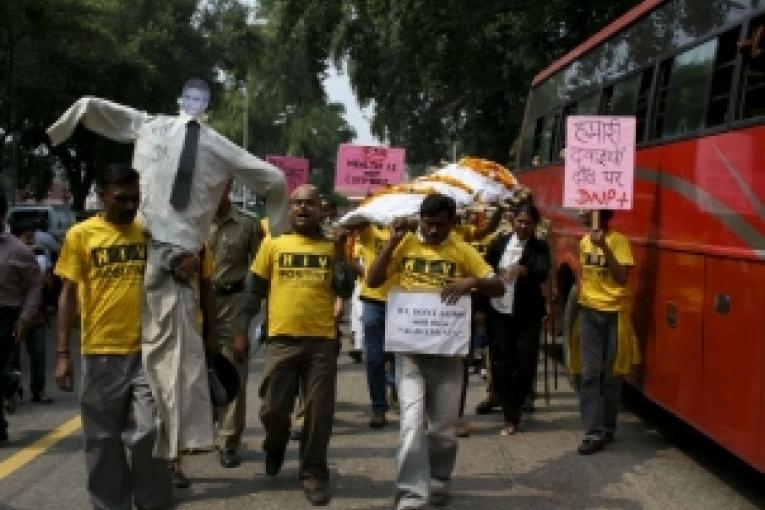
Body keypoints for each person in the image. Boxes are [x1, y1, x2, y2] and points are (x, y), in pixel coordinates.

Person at [47, 78, 289, 459]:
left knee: (176, 357)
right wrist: (281, 227)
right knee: (161, 352)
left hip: (177, 258)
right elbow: (274, 180)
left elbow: (92, 104)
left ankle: (177, 443)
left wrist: (279, 226)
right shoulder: (152, 126)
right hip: (150, 247)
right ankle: (171, 440)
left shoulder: (199, 141)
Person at [366, 193, 504, 510]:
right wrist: (390, 243)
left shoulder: (462, 250)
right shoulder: (404, 244)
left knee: (443, 429)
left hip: (448, 353)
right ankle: (411, 495)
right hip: (410, 352)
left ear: (452, 223)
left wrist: (471, 281)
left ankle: (439, 480)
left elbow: (498, 286)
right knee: (412, 423)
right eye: (427, 224)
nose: (431, 231)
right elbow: (373, 281)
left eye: (439, 225)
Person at [54, 164, 172, 510]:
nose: (129, 205)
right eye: (121, 198)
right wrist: (62, 353)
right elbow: (68, 293)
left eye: (135, 198)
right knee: (103, 440)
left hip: (148, 350)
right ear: (102, 195)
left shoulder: (150, 232)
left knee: (150, 431)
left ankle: (152, 503)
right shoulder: (81, 235)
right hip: (100, 351)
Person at [240, 184, 353, 506]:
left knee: (319, 413)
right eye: (297, 203)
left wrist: (342, 252)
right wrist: (239, 332)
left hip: (321, 343)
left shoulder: (331, 247)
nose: (303, 208)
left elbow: (344, 289)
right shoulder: (274, 244)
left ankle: (314, 473)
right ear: (289, 209)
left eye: (310, 203)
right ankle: (274, 443)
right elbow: (253, 291)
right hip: (281, 340)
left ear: (320, 209)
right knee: (273, 410)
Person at [483, 202, 550, 435]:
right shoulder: (499, 243)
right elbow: (484, 268)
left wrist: (524, 271)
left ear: (535, 225)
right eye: (520, 221)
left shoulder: (540, 248)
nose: (523, 226)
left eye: (528, 223)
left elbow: (543, 272)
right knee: (501, 361)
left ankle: (517, 401)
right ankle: (510, 415)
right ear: (513, 220)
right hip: (498, 311)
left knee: (525, 362)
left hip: (527, 314)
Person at [208, 179, 262, 468]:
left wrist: (250, 318)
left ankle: (228, 440)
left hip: (234, 302)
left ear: (228, 186)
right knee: (190, 371)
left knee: (233, 369)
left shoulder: (248, 224)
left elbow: (259, 269)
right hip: (196, 305)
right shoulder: (191, 222)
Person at [575, 209, 635, 455]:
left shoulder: (619, 241)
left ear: (600, 215)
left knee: (612, 375)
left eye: (586, 211)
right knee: (589, 374)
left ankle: (608, 426)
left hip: (615, 314)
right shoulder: (583, 241)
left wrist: (605, 248)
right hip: (589, 313)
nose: (581, 213)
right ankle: (593, 432)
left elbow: (622, 278)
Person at [0, 196, 42, 444]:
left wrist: (25, 317)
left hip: (5, 315)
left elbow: (35, 284)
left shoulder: (18, 250)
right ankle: (10, 381)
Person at [10, 218, 54, 404]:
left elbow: (50, 283)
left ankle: (39, 390)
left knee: (38, 353)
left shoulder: (41, 253)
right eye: (25, 237)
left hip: (37, 314)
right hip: (13, 313)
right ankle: (14, 390)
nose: (29, 240)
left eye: (31, 236)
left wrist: (44, 281)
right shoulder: (10, 254)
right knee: (12, 357)